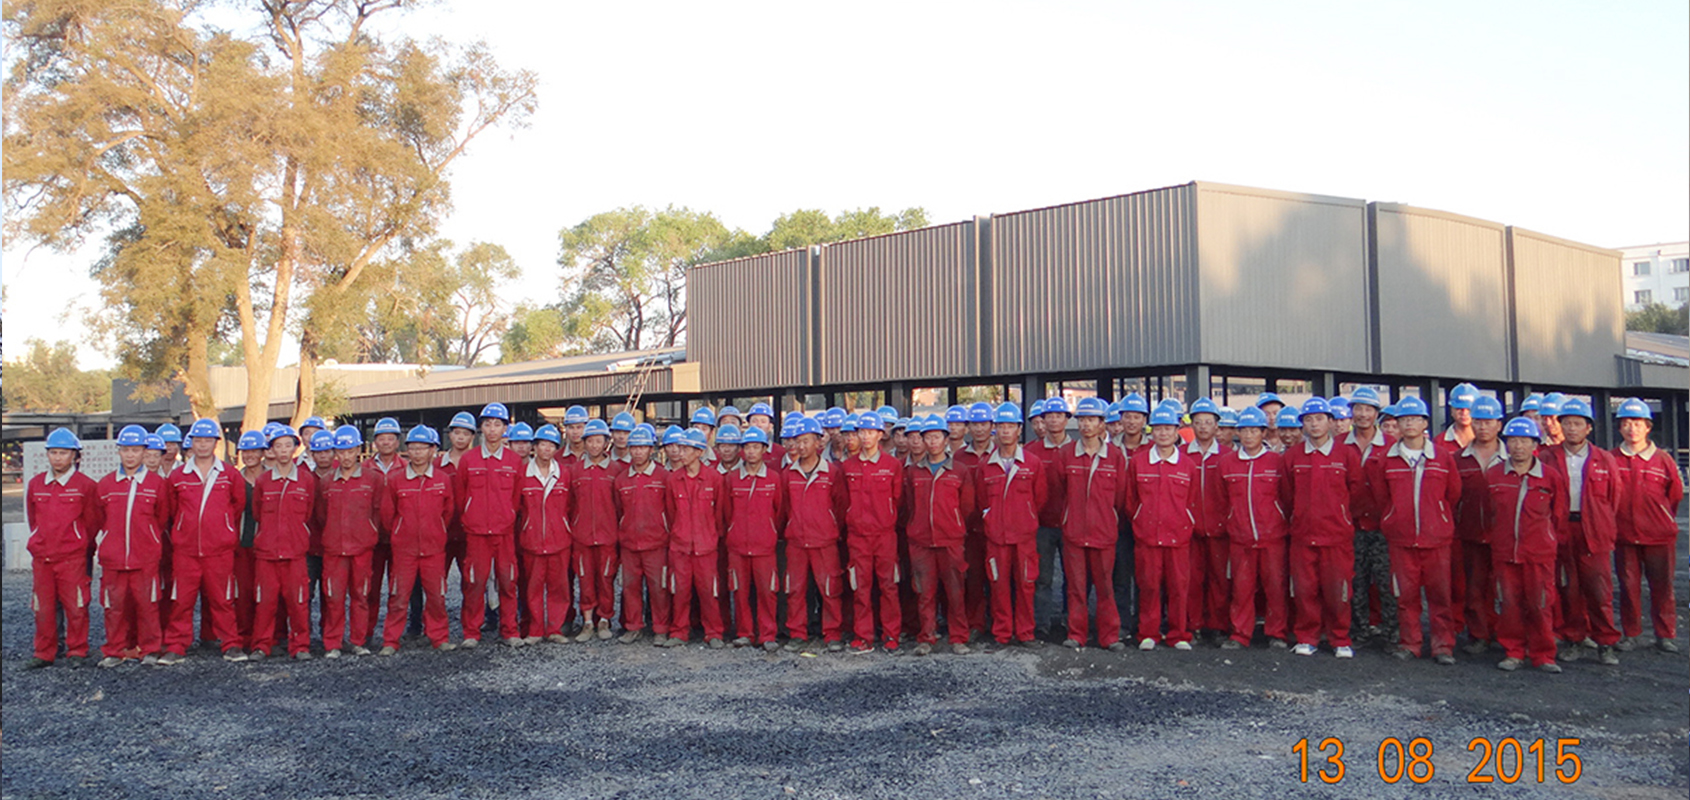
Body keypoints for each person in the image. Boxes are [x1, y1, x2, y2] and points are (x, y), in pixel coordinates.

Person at [1365, 397, 1463, 664]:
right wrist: (1394, 518)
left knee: (1440, 595)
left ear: (1424, 423)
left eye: (1414, 419)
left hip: (1436, 539)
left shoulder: (1442, 457)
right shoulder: (1387, 459)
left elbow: (1453, 494)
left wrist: (1438, 517)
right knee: (1405, 596)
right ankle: (1410, 643)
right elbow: (1381, 497)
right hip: (1401, 540)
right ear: (1397, 424)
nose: (1409, 424)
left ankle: (1443, 646)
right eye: (1403, 420)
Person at [1281, 398, 1364, 658]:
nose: (1314, 424)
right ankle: (1307, 637)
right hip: (1303, 535)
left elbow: (1356, 493)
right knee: (1305, 589)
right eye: (1308, 420)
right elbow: (1286, 494)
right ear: (1302, 425)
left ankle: (1340, 638)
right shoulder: (1293, 456)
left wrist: (1342, 518)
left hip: (1337, 536)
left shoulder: (1346, 455)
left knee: (1338, 589)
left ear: (1330, 422)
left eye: (1319, 419)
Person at [1540, 398, 1621, 665]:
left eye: (1577, 423)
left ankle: (1605, 642)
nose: (1572, 428)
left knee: (1599, 590)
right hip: (1561, 530)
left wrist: (1601, 524)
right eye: (1567, 423)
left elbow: (1614, 498)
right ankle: (1574, 638)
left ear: (1589, 428)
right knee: (1569, 588)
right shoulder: (1547, 458)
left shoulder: (1604, 459)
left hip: (1594, 532)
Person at [162, 419, 247, 665]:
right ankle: (176, 645)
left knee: (223, 599)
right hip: (186, 550)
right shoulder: (178, 476)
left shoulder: (229, 474)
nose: (202, 445)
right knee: (182, 600)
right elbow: (172, 510)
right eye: (198, 440)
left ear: (215, 443)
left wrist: (223, 529)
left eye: (207, 440)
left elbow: (237, 506)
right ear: (191, 443)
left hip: (219, 550)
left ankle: (231, 644)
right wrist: (184, 530)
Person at [1486, 416, 1568, 673]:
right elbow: (1488, 513)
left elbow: (1559, 515)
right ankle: (1513, 652)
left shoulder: (1550, 477)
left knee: (1540, 604)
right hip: (1504, 552)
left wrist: (1548, 541)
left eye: (1524, 441)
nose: (1518, 446)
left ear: (1535, 444)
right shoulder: (1494, 475)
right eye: (1513, 440)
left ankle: (1543, 654)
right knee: (1509, 604)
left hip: (1539, 554)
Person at [1048, 398, 1127, 651]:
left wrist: (1107, 517)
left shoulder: (1115, 456)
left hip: (1104, 533)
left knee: (1106, 588)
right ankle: (1076, 634)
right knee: (1076, 587)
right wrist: (1069, 517)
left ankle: (1109, 636)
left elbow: (1121, 496)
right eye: (1082, 420)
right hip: (1074, 532)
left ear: (1102, 423)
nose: (1086, 425)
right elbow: (1059, 490)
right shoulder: (1065, 454)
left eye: (1091, 420)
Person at [94, 426, 174, 667]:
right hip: (113, 558)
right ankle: (114, 650)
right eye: (126, 450)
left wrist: (148, 539)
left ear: (143, 452)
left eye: (136, 450)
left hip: (145, 557)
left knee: (148, 605)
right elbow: (98, 518)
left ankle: (150, 649)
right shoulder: (106, 484)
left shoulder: (157, 484)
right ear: (119, 451)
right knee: (114, 606)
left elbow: (161, 518)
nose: (130, 455)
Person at [24, 428, 102, 669]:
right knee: (43, 606)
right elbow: (33, 519)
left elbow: (92, 522)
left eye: (63, 453)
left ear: (75, 456)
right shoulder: (36, 484)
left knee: (76, 605)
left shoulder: (86, 485)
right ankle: (44, 652)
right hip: (42, 558)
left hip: (72, 558)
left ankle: (77, 649)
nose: (58, 458)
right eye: (53, 452)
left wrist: (78, 543)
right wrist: (40, 541)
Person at [1610, 397, 1683, 653]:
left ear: (1648, 427)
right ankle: (1631, 634)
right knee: (1628, 588)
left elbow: (1674, 496)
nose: (1632, 429)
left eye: (1638, 423)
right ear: (1620, 427)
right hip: (1624, 536)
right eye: (1627, 423)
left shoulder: (1663, 460)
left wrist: (1660, 518)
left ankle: (1665, 634)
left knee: (1662, 587)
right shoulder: (1611, 459)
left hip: (1659, 536)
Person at [1124, 404, 1198, 650]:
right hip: (1147, 538)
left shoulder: (1187, 465)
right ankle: (1148, 633)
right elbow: (1130, 500)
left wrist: (1185, 523)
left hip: (1178, 538)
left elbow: (1192, 500)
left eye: (1168, 428)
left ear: (1177, 432)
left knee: (1179, 588)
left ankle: (1178, 634)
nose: (1163, 433)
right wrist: (1140, 521)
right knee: (1149, 586)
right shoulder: (1138, 462)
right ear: (1151, 432)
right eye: (1158, 429)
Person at [975, 402, 1047, 649]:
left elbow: (1040, 498)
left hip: (1024, 537)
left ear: (1019, 429)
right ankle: (1002, 632)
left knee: (1026, 585)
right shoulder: (986, 465)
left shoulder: (1032, 463)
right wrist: (992, 519)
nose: (1005, 431)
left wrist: (1025, 517)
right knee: (998, 585)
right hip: (996, 537)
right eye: (1001, 426)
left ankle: (1025, 633)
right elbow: (981, 500)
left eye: (1010, 426)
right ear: (995, 429)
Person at [378, 426, 456, 654]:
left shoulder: (442, 479)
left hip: (434, 549)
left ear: (432, 450)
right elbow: (387, 515)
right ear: (407, 450)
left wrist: (436, 531)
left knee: (437, 596)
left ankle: (439, 638)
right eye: (413, 448)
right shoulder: (396, 480)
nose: (417, 453)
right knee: (398, 596)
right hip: (405, 549)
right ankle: (390, 641)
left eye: (422, 448)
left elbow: (447, 513)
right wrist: (400, 533)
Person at [453, 402, 525, 648]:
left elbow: (516, 498)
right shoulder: (469, 460)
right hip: (477, 534)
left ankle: (510, 630)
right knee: (474, 582)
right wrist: (471, 518)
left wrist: (507, 516)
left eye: (497, 425)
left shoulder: (514, 461)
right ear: (481, 428)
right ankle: (471, 632)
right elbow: (461, 496)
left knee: (508, 581)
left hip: (504, 533)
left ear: (505, 429)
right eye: (488, 424)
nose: (492, 429)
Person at [1217, 407, 1289, 649]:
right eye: (1244, 431)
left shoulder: (1276, 462)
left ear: (1263, 433)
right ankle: (1240, 634)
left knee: (1275, 587)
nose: (1249, 436)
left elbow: (1286, 497)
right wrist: (1231, 521)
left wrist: (1278, 521)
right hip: (1240, 537)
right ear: (1238, 433)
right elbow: (1221, 499)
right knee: (1241, 588)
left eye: (1254, 431)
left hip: (1272, 537)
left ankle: (1277, 633)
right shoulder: (1227, 463)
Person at [250, 425, 318, 661]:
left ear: (295, 448)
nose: (283, 450)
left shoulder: (306, 480)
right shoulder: (263, 481)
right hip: (267, 553)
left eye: (288, 445)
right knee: (265, 603)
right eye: (278, 446)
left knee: (298, 602)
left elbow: (308, 512)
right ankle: (261, 645)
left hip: (295, 553)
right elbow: (257, 512)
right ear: (271, 450)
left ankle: (300, 646)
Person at [782, 416, 849, 652]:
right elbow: (783, 508)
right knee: (795, 589)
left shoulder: (831, 472)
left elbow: (840, 505)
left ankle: (832, 633)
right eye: (797, 441)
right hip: (797, 542)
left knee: (830, 588)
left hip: (824, 541)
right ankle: (797, 633)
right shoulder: (788, 474)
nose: (800, 446)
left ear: (818, 443)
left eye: (806, 441)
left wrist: (829, 527)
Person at [841, 411, 905, 652]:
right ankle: (863, 635)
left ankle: (891, 634)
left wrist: (886, 519)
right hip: (857, 537)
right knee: (860, 587)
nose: (866, 436)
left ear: (880, 434)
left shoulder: (892, 465)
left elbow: (898, 499)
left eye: (870, 432)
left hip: (884, 536)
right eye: (862, 432)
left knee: (889, 586)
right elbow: (842, 501)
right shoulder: (848, 467)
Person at [316, 425, 381, 658]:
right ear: (335, 452)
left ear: (358, 451)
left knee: (360, 595)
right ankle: (333, 643)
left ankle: (357, 641)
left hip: (362, 548)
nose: (345, 456)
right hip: (334, 549)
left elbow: (378, 511)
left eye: (350, 451)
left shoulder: (372, 479)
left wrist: (369, 533)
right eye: (341, 452)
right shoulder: (326, 481)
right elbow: (321, 515)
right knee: (333, 596)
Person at [662, 429, 728, 648]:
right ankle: (679, 632)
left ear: (699, 452)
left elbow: (720, 513)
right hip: (680, 547)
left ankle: (714, 632)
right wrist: (679, 534)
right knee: (680, 591)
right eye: (680, 448)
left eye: (686, 449)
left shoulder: (714, 478)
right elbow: (670, 512)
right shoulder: (673, 479)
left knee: (709, 592)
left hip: (705, 547)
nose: (680, 453)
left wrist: (710, 536)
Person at [1452, 397, 1507, 654]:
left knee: (1506, 589)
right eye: (1478, 422)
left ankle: (1506, 634)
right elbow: (1451, 496)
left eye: (1488, 422)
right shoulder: (1458, 458)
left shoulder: (1514, 456)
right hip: (1470, 533)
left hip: (1504, 536)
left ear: (1499, 424)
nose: (1483, 427)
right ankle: (1478, 635)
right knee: (1473, 587)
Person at [1342, 386, 1397, 646]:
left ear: (1377, 413)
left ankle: (1392, 632)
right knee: (1356, 581)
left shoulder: (1392, 446)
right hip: (1351, 526)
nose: (1363, 414)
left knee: (1387, 583)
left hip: (1384, 527)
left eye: (1368, 409)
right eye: (1358, 408)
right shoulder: (1339, 444)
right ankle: (1359, 631)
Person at [724, 425, 786, 651]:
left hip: (764, 547)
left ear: (764, 449)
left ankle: (767, 634)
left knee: (767, 592)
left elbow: (779, 512)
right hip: (738, 546)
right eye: (747, 447)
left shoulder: (774, 478)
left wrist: (768, 532)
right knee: (740, 592)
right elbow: (726, 512)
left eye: (755, 447)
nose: (751, 452)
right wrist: (734, 531)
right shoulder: (732, 479)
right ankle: (744, 633)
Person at [615, 424, 672, 645]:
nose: (638, 452)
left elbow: (671, 510)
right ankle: (633, 627)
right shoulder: (621, 480)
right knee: (630, 588)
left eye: (643, 447)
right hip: (629, 544)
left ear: (651, 450)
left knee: (659, 588)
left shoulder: (663, 476)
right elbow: (618, 510)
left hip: (656, 544)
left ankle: (660, 628)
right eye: (634, 447)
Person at [517, 424, 573, 644]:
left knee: (559, 587)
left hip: (559, 540)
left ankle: (555, 629)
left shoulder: (564, 474)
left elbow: (571, 505)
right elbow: (517, 506)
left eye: (551, 445)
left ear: (556, 449)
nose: (547, 449)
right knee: (533, 587)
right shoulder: (523, 474)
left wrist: (563, 526)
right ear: (535, 447)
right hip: (532, 541)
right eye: (542, 444)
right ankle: (535, 630)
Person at [1184, 397, 1231, 644]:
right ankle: (1193, 624)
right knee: (1192, 579)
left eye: (1208, 422)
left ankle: (1217, 625)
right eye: (1198, 422)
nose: (1203, 427)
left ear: (1217, 426)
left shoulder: (1228, 456)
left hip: (1219, 529)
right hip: (1189, 530)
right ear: (1192, 425)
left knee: (1219, 580)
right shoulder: (1181, 455)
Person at [570, 419, 620, 641]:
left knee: (606, 579)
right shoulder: (575, 470)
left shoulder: (615, 470)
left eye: (598, 441)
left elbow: (619, 505)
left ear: (606, 443)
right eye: (590, 441)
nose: (594, 445)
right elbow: (570, 504)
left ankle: (604, 620)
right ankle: (587, 621)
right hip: (582, 536)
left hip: (608, 536)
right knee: (585, 579)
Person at [1030, 397, 1073, 641]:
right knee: (1042, 578)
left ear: (1067, 419)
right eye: (1049, 416)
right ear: (1043, 420)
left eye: (1059, 415)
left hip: (1071, 525)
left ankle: (1070, 622)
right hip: (1042, 526)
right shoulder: (1031, 451)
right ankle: (1042, 624)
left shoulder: (1077, 449)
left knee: (1074, 579)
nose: (1054, 420)